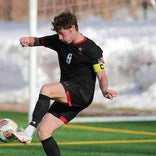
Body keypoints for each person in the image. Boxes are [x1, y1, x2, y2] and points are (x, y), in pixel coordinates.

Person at [13, 10, 117, 156]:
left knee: (47, 89)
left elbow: (102, 75)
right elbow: (37, 41)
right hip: (68, 93)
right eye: (58, 34)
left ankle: (28, 131)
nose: (60, 38)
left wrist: (105, 90)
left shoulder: (91, 49)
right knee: (44, 132)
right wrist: (27, 40)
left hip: (81, 93)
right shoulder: (59, 40)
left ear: (73, 28)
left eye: (63, 34)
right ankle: (34, 131)